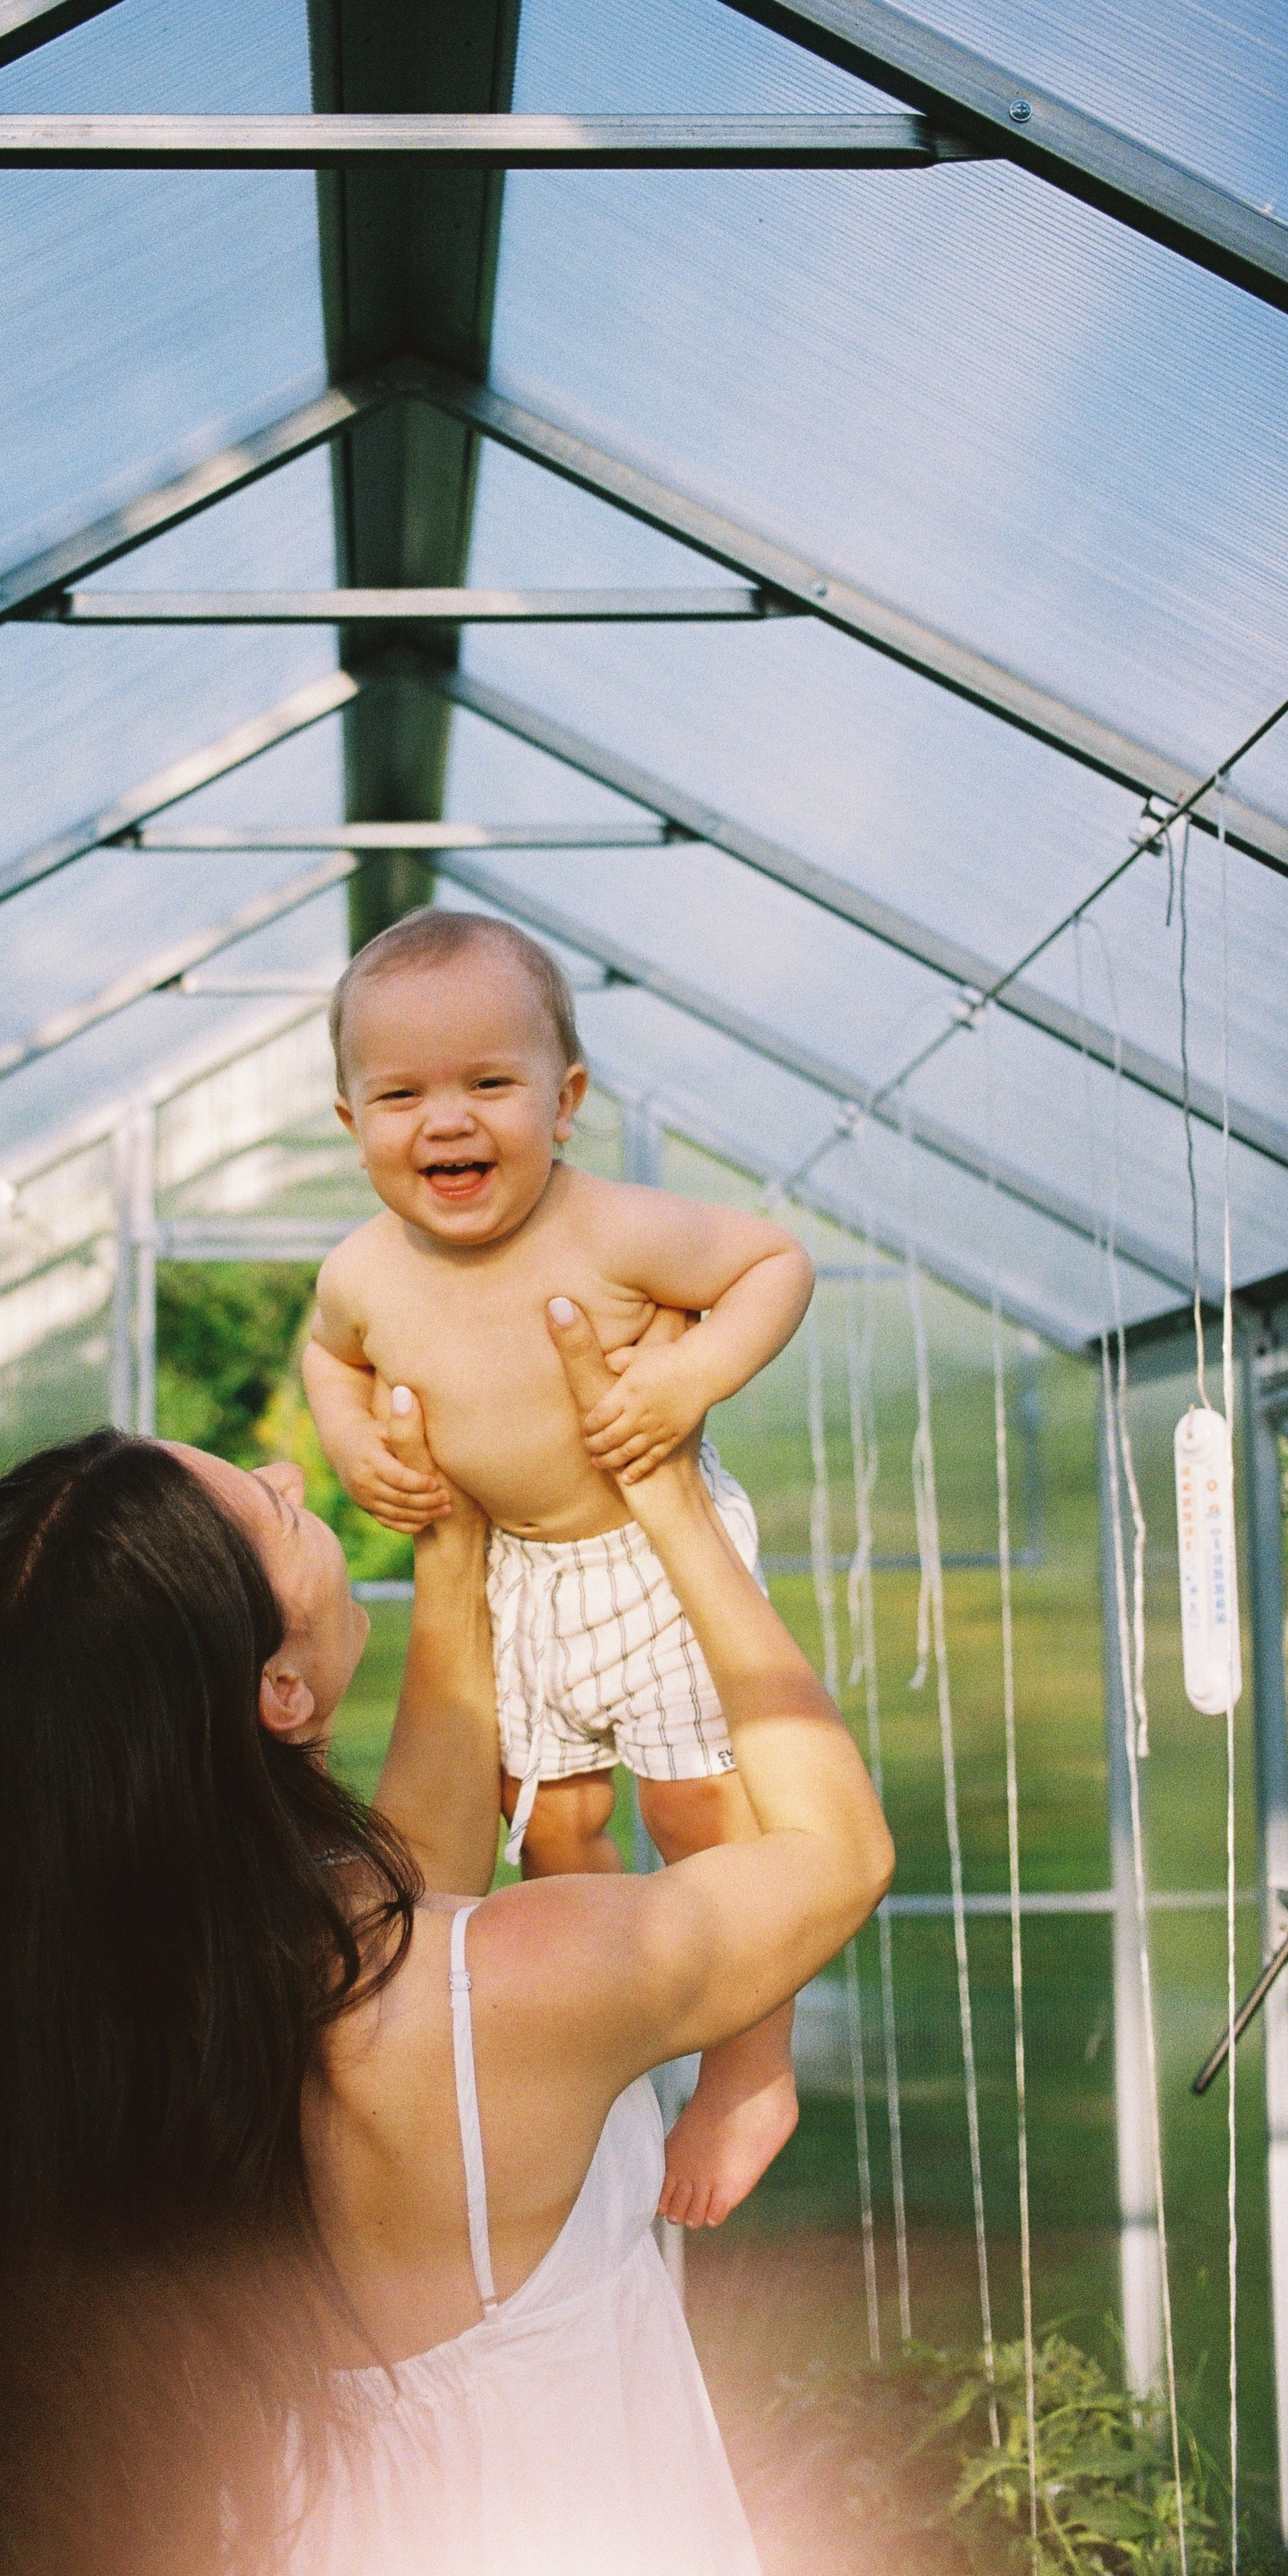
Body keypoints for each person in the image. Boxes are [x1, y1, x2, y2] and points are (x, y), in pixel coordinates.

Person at [0, 1299, 891, 2576]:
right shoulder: (514, 1988)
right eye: (276, 1512)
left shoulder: (125, 1999)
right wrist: (671, 1494)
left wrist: (454, 1548)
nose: (296, 1476)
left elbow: (411, 1877)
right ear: (279, 1696)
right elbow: (836, 1850)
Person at [303, 907, 817, 2226]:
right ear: (351, 1115)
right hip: (519, 1576)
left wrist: (692, 1370)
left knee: (701, 1810)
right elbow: (328, 1357)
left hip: (653, 1556)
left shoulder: (614, 1230)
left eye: (488, 1083)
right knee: (552, 1820)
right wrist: (355, 1440)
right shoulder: (361, 1271)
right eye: (400, 1092)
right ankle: (625, 2015)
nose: (446, 1121)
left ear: (564, 1097)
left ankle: (750, 2066)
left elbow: (774, 1260)